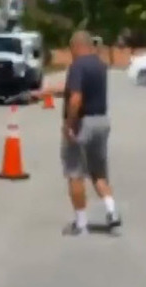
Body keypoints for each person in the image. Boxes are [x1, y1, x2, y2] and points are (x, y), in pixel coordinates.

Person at [31, 30, 122, 235]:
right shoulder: (99, 65)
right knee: (98, 172)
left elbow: (76, 98)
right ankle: (112, 211)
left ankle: (81, 224)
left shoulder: (77, 66)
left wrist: (69, 125)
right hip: (101, 121)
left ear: (76, 46)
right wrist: (43, 92)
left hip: (82, 123)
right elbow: (72, 90)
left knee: (75, 173)